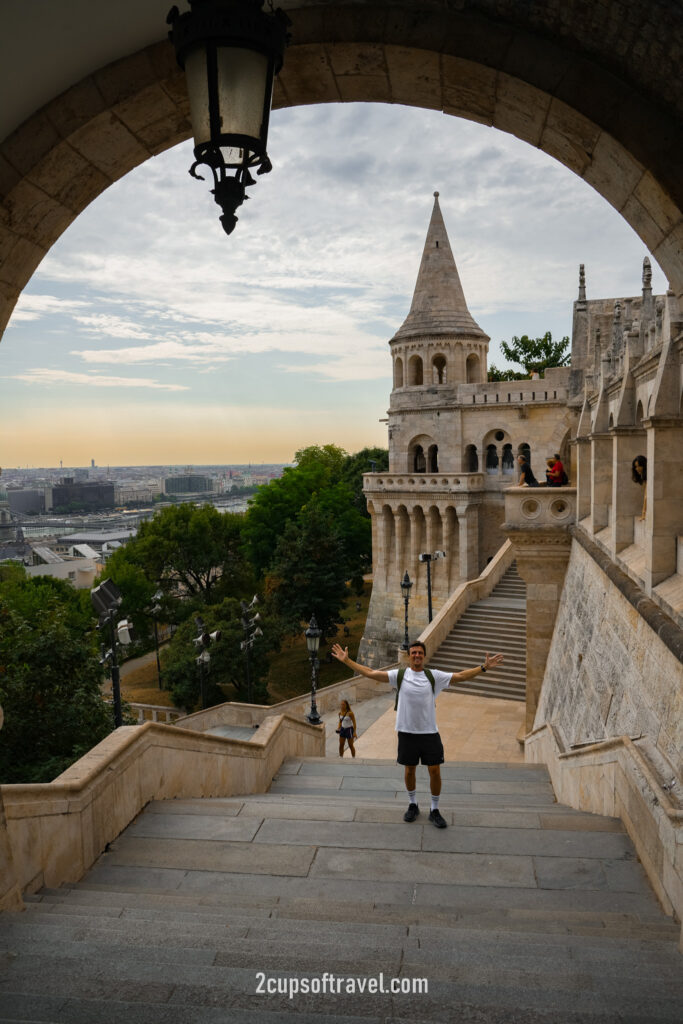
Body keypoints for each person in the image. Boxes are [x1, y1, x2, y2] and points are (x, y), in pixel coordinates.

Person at [331, 640, 504, 828]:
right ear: (409, 656)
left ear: (424, 655)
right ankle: (413, 804)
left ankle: (434, 809)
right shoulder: (399, 675)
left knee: (435, 770)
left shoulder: (434, 676)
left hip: (429, 732)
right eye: (413, 653)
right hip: (407, 733)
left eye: (420, 653)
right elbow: (371, 673)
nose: (416, 656)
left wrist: (484, 667)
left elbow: (461, 676)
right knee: (409, 770)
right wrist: (347, 661)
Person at [632, 455, 647, 520]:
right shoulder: (644, 477)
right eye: (636, 467)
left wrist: (643, 514)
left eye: (639, 466)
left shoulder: (647, 477)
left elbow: (646, 496)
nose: (637, 469)